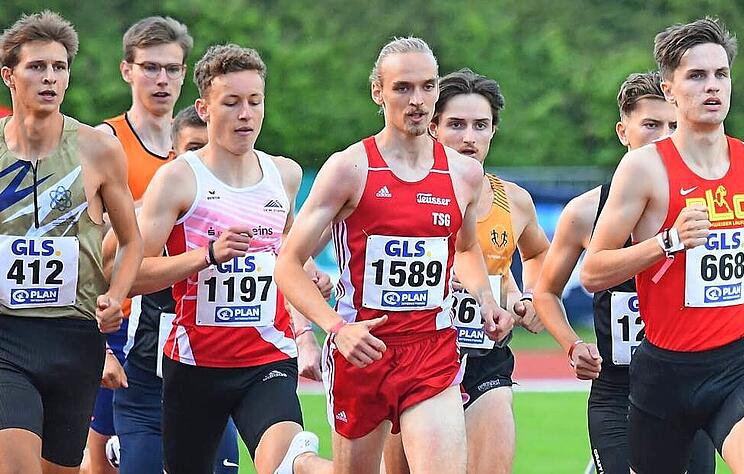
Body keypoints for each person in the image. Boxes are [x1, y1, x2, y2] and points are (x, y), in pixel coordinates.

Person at [275, 37, 512, 474]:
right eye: (403, 88)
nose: (417, 100)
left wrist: (486, 299)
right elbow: (287, 265)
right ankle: (303, 464)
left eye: (427, 86)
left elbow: (465, 247)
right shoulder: (350, 168)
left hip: (432, 350)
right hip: (362, 351)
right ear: (377, 92)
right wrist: (335, 329)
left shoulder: (464, 174)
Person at [581, 18, 744, 473]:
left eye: (721, 74)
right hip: (664, 374)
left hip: (738, 363)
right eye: (696, 76)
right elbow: (592, 272)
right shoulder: (644, 169)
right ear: (671, 89)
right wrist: (668, 241)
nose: (712, 87)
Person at [131, 43, 330, 474]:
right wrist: (206, 255)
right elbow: (133, 275)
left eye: (255, 102)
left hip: (267, 360)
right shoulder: (179, 179)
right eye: (232, 102)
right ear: (204, 108)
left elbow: (288, 259)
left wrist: (307, 278)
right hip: (195, 365)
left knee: (289, 459)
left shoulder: (285, 175)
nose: (246, 114)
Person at [535, 71, 719, 473]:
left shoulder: (705, 209)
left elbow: (741, 285)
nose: (663, 137)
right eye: (651, 125)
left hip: (687, 389)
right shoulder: (585, 213)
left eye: (673, 126)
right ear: (624, 131)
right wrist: (572, 345)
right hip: (618, 393)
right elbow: (545, 292)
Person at [81, 17, 241, 474]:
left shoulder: (205, 144)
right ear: (126, 70)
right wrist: (103, 344)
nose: (162, 79)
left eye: (172, 69)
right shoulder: (104, 143)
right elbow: (90, 248)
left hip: (198, 323)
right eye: (150, 67)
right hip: (124, 328)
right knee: (104, 462)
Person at [381, 68, 548, 474]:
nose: (469, 137)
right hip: (410, 359)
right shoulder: (399, 191)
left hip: (483, 358)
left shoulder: (515, 201)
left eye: (481, 125)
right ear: (433, 127)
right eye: (457, 125)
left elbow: (535, 256)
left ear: (493, 132)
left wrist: (531, 299)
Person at [0, 10, 142, 473]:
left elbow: (132, 240)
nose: (50, 78)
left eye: (59, 68)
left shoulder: (98, 148)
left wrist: (116, 297)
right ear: (9, 76)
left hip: (75, 338)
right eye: (36, 67)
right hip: (7, 332)